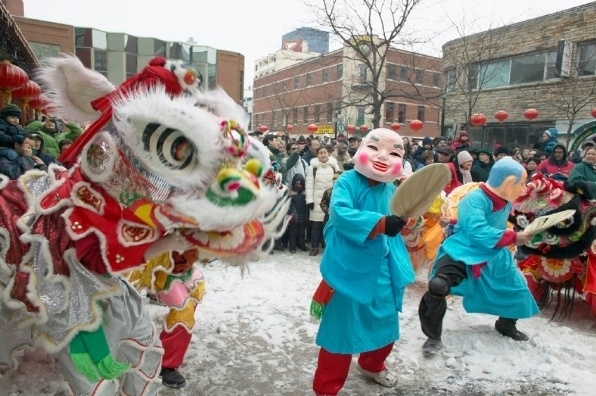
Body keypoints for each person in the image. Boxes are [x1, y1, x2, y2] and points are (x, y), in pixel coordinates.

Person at [310, 128, 414, 396]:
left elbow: (399, 218)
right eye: (376, 148)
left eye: (394, 152)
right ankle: (327, 388)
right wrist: (380, 223)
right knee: (340, 331)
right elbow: (340, 214)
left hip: (384, 265)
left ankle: (372, 364)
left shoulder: (392, 188)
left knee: (385, 321)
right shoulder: (347, 180)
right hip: (351, 267)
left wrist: (405, 223)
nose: (383, 157)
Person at [418, 157, 539, 356]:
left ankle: (506, 324)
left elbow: (481, 222)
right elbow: (476, 230)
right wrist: (514, 237)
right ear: (509, 183)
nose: (524, 187)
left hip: (494, 254)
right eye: (522, 183)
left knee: (516, 288)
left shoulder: (505, 201)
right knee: (438, 286)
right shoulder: (474, 199)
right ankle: (433, 336)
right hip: (462, 250)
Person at [127, 248, 205, 388]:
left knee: (192, 297)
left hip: (177, 266)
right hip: (145, 262)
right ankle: (165, 364)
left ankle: (167, 358)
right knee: (183, 311)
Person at [305, 146, 340, 256]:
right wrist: (309, 200)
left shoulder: (334, 166)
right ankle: (314, 247)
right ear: (317, 155)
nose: (323, 155)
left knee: (329, 225)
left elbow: (339, 184)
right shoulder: (313, 168)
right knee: (316, 225)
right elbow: (309, 185)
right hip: (317, 200)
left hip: (330, 201)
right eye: (320, 153)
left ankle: (328, 246)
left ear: (328, 154)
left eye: (325, 153)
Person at [287, 173, 309, 253]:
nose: (298, 185)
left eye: (300, 184)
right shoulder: (290, 193)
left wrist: (307, 216)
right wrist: (290, 214)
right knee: (293, 233)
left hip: (303, 216)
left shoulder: (305, 193)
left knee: (302, 232)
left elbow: (307, 206)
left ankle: (302, 245)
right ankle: (292, 247)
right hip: (293, 216)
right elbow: (288, 205)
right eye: (296, 183)